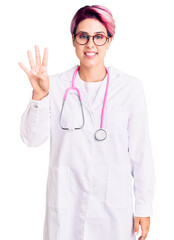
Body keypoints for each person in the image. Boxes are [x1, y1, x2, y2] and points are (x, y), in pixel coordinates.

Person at [19, 5, 155, 240]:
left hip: (114, 210)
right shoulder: (54, 85)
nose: (90, 44)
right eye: (83, 36)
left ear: (109, 40)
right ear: (73, 40)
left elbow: (141, 153)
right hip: (66, 209)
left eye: (99, 37)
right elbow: (32, 140)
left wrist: (144, 206)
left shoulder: (130, 88)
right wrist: (39, 96)